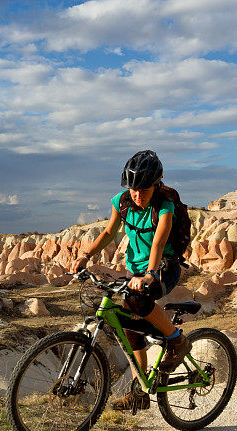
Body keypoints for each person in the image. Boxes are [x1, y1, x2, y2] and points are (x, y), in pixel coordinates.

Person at [71, 150, 190, 411]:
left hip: (163, 267)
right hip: (134, 271)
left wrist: (150, 274)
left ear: (157, 184)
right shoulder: (121, 202)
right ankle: (140, 392)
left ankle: (176, 339)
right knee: (130, 330)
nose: (138, 195)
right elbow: (108, 232)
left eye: (144, 189)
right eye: (133, 189)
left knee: (138, 301)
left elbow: (158, 242)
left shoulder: (165, 205)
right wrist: (85, 255)